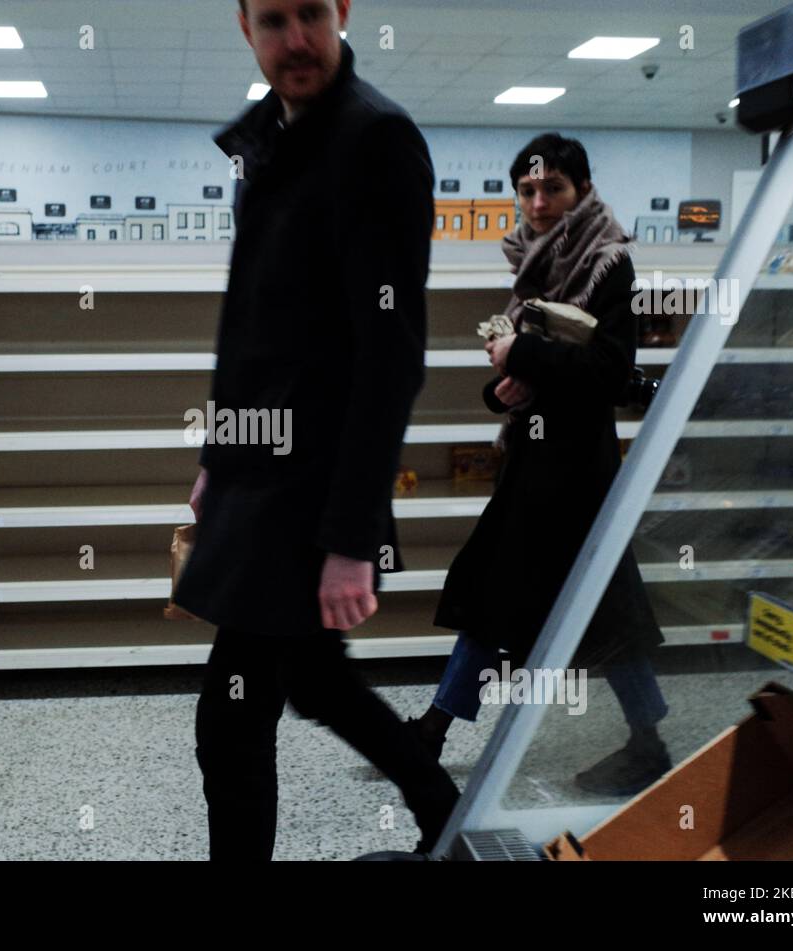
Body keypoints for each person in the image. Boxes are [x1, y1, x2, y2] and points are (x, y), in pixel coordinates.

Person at [173, 0, 458, 859]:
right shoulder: (273, 136)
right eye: (271, 20)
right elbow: (254, 327)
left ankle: (441, 808)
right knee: (315, 682)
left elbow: (390, 354)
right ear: (244, 26)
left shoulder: (376, 140)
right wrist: (218, 457)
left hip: (314, 491)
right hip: (259, 475)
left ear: (341, 12)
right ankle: (443, 809)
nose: (293, 39)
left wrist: (349, 540)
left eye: (309, 14)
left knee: (232, 714)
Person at [408, 133, 672, 797]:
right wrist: (501, 388)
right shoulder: (534, 261)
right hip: (536, 460)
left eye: (552, 188)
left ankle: (436, 729)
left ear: (581, 189)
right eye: (527, 189)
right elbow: (520, 369)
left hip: (575, 468)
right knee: (574, 600)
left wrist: (519, 361)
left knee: (578, 600)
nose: (538, 201)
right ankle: (646, 741)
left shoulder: (609, 263)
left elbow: (610, 371)